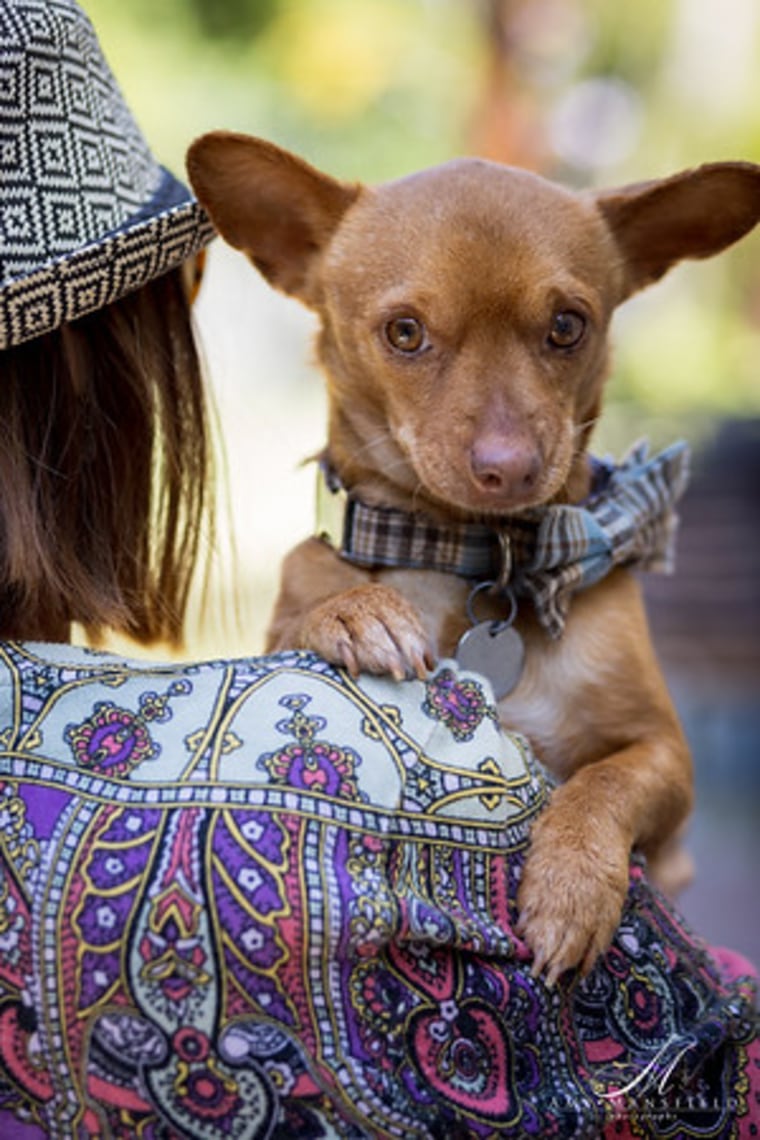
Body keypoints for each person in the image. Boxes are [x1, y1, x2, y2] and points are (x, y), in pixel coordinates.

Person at [0, 3, 757, 1138]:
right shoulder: (314, 603)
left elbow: (651, 757)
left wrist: (598, 817)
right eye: (411, 336)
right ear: (292, 260)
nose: (501, 444)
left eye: (560, 331)